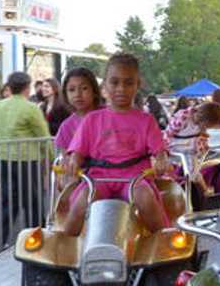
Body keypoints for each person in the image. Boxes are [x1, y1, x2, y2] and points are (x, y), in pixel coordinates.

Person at [62, 53, 170, 237]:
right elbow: (79, 150)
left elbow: (159, 149)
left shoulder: (146, 120)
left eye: (128, 83)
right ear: (105, 85)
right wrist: (74, 160)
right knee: (81, 203)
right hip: (99, 178)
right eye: (114, 82)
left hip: (133, 179)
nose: (121, 88)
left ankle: (164, 240)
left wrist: (161, 159)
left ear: (138, 85)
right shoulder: (92, 119)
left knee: (145, 198)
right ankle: (65, 246)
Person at [0, 72, 51, 245]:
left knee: (7, 201)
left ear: (9, 87)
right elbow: (44, 136)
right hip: (27, 161)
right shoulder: (31, 108)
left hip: (3, 159)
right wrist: (50, 159)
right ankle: (35, 240)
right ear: (27, 87)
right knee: (32, 202)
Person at [55, 68, 104, 156]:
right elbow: (67, 159)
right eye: (71, 90)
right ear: (65, 94)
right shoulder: (66, 127)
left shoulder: (109, 115)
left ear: (95, 91)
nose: (77, 94)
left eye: (84, 88)